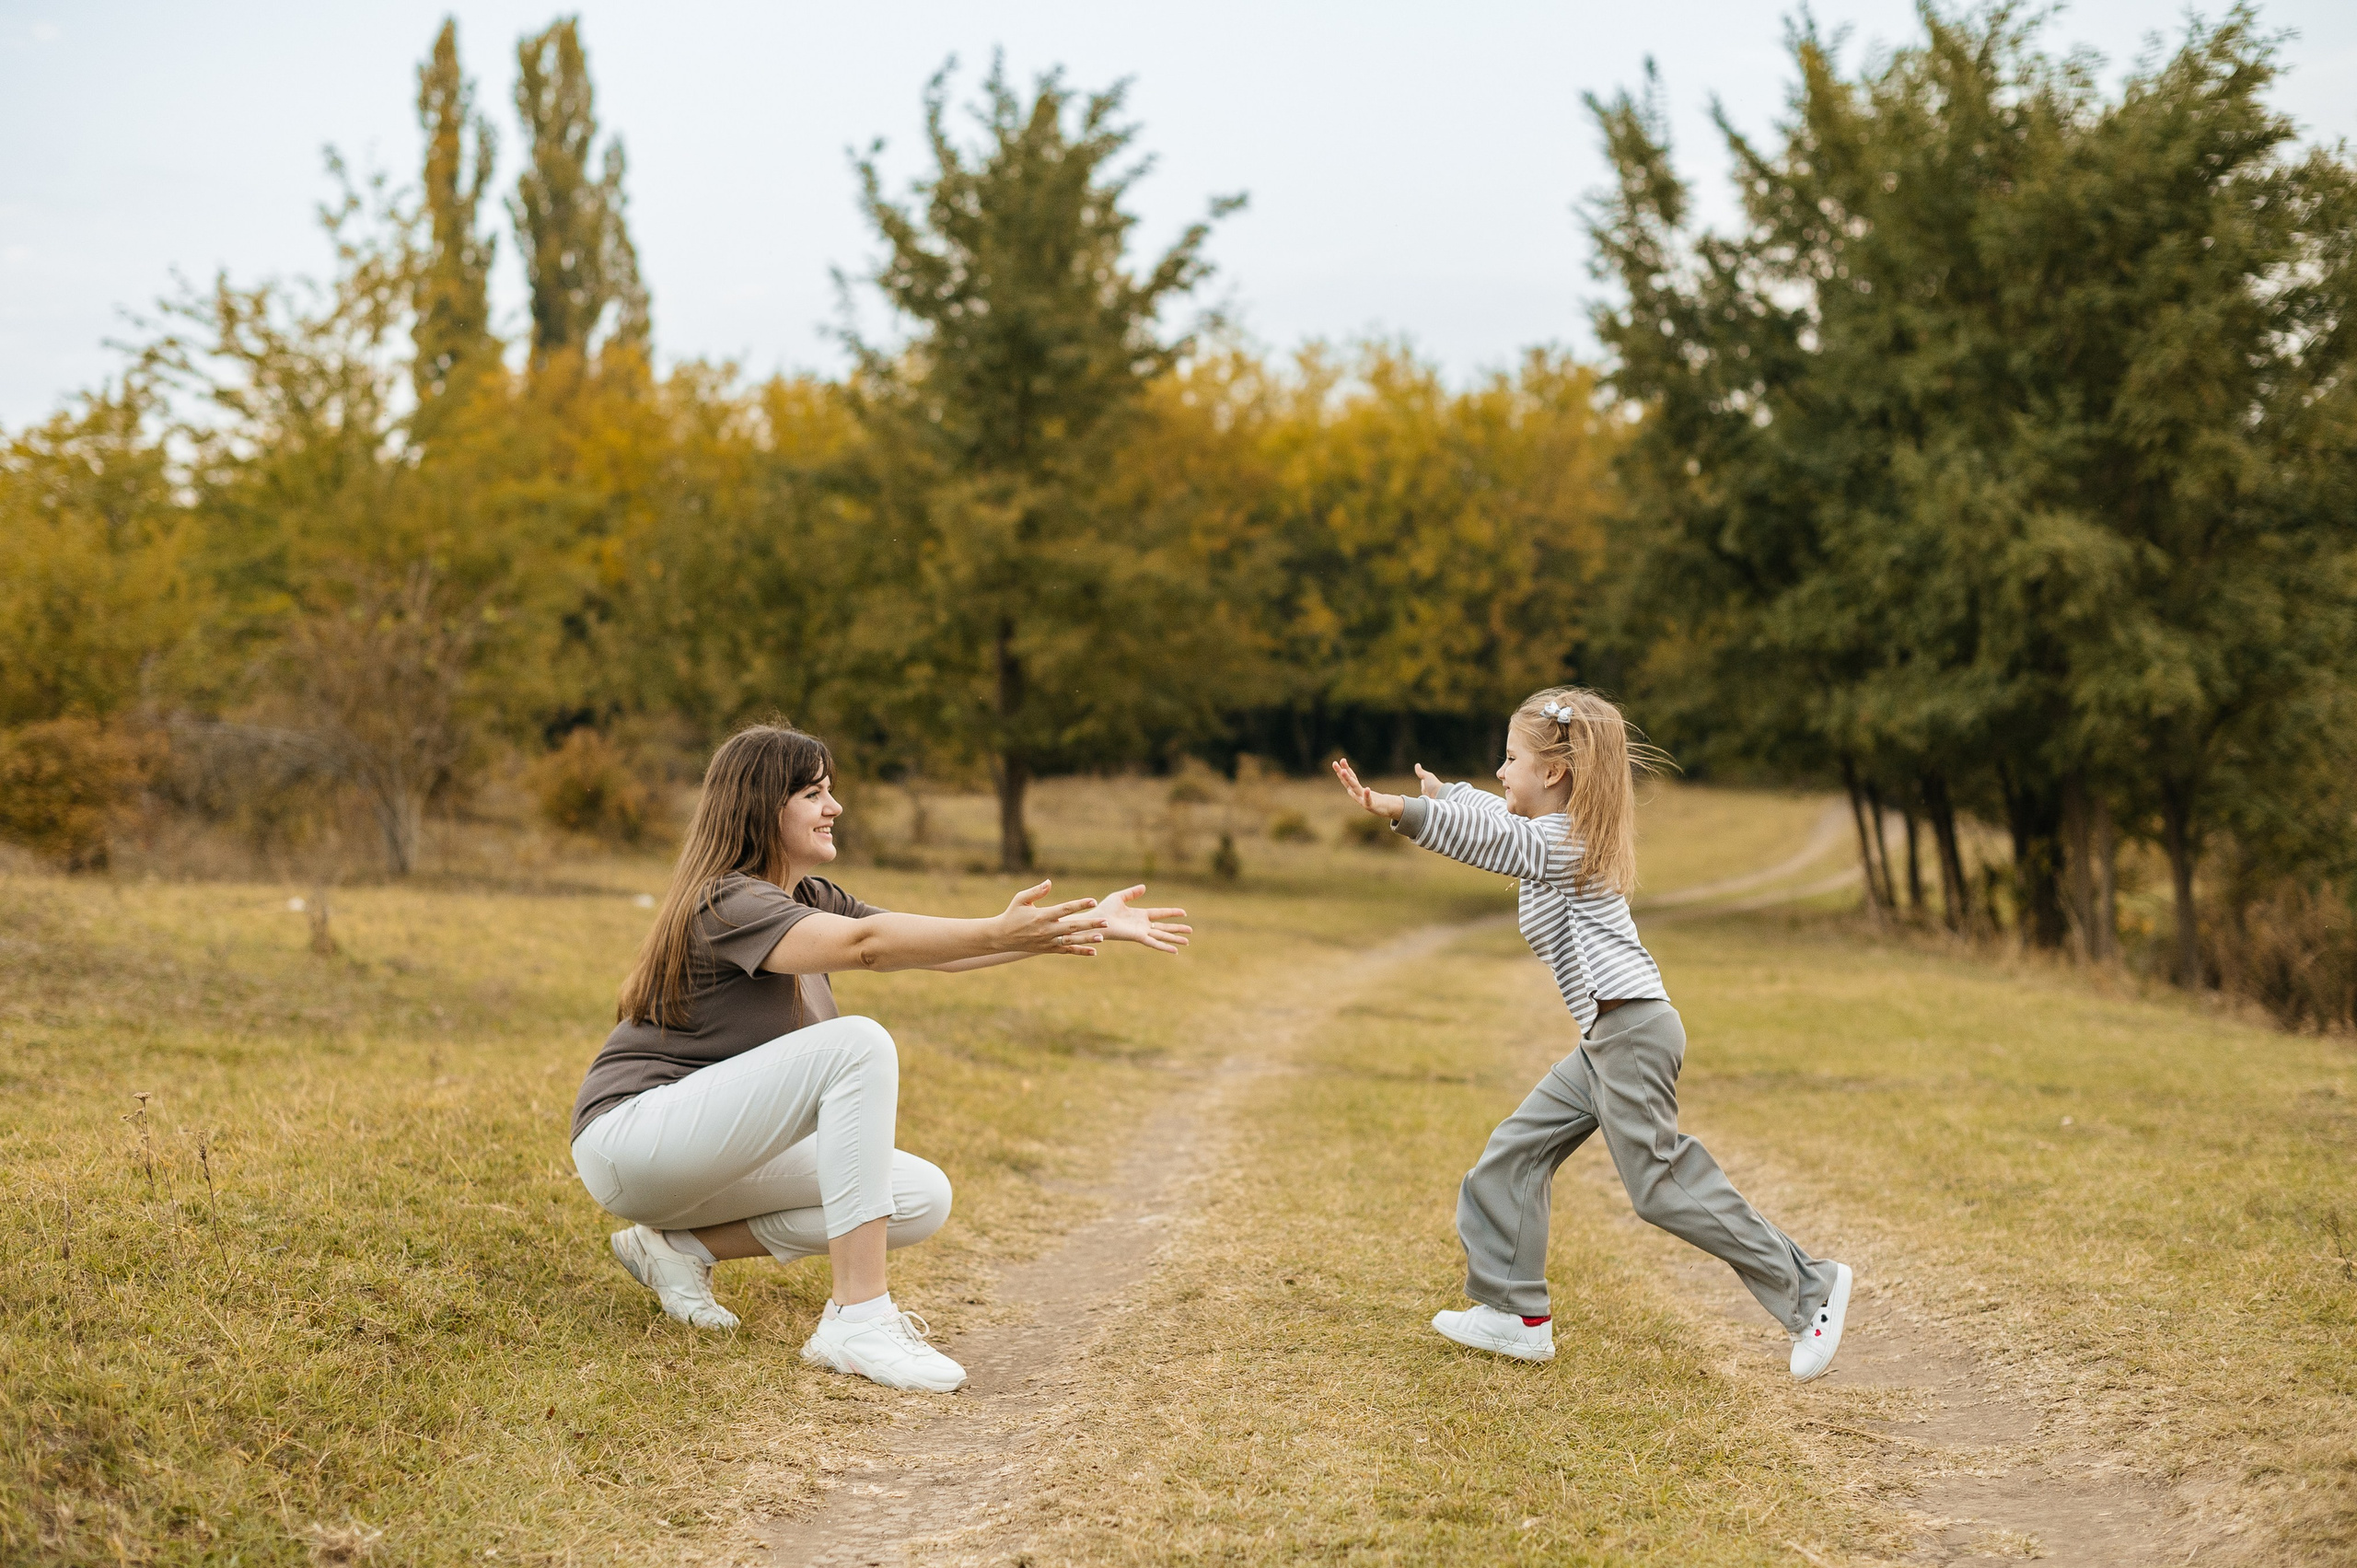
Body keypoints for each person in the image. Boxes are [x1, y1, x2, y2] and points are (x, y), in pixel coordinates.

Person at [569, 722, 1190, 1393]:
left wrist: (1079, 922)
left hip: (704, 1152)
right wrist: (996, 925)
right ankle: (858, 1318)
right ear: (760, 805)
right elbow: (870, 944)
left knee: (919, 1195)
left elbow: (932, 949)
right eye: (813, 792)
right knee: (857, 1043)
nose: (834, 806)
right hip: (632, 1141)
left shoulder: (806, 899)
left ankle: (675, 1248)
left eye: (830, 790)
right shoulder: (726, 901)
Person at [1331, 686, 1851, 1381]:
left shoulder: (1566, 838)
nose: (1501, 770)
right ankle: (1516, 1315)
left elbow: (1502, 836)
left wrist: (1404, 810)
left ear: (1554, 771)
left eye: (1510, 757)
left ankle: (1810, 1288)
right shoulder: (1554, 825)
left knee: (1660, 1185)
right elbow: (1498, 812)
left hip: (1629, 1028)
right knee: (1513, 1155)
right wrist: (1449, 790)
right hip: (1609, 1035)